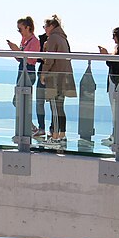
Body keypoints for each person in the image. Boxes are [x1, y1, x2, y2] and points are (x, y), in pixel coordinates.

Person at [40, 15, 76, 143]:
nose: (44, 29)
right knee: (60, 107)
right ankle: (62, 135)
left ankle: (54, 136)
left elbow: (50, 59)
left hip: (55, 77)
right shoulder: (63, 38)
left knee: (54, 107)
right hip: (65, 77)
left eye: (45, 26)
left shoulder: (53, 38)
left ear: (51, 26)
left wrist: (43, 74)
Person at [98, 26, 119, 147]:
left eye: (114, 35)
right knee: (115, 110)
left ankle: (117, 136)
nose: (113, 38)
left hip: (117, 81)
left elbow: (116, 65)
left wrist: (106, 55)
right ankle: (114, 135)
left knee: (116, 110)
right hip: (114, 80)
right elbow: (112, 64)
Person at [6, 16, 41, 130]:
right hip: (22, 70)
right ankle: (26, 126)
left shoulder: (34, 41)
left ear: (27, 28)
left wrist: (18, 51)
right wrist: (16, 51)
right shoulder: (24, 40)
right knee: (18, 101)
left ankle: (28, 127)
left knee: (21, 101)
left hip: (29, 71)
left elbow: (31, 59)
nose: (19, 32)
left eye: (20, 29)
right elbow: (21, 58)